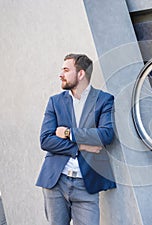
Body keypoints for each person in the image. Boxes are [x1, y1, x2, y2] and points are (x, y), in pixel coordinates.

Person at [36, 53, 116, 225]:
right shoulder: (55, 102)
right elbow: (46, 140)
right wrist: (81, 146)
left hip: (86, 184)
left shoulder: (103, 100)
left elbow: (106, 134)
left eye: (66, 70)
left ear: (81, 74)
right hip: (56, 182)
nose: (61, 75)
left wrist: (68, 133)